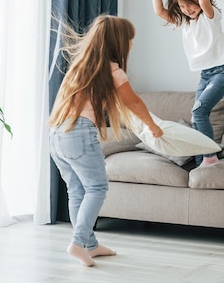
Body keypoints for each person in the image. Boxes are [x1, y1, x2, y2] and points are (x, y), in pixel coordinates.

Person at [48, 15, 164, 267]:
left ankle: (89, 245)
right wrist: (153, 126)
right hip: (78, 134)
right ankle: (78, 243)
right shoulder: (112, 69)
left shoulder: (80, 65)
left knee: (77, 190)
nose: (132, 44)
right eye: (129, 39)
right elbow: (133, 102)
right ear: (118, 42)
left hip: (57, 135)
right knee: (97, 188)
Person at [150, 0, 224, 167]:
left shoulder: (210, 16)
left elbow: (205, 2)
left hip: (223, 72)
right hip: (205, 75)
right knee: (196, 115)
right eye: (182, 6)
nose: (187, 9)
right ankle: (200, 163)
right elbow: (160, 11)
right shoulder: (185, 23)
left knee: (199, 112)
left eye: (190, 3)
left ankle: (209, 157)